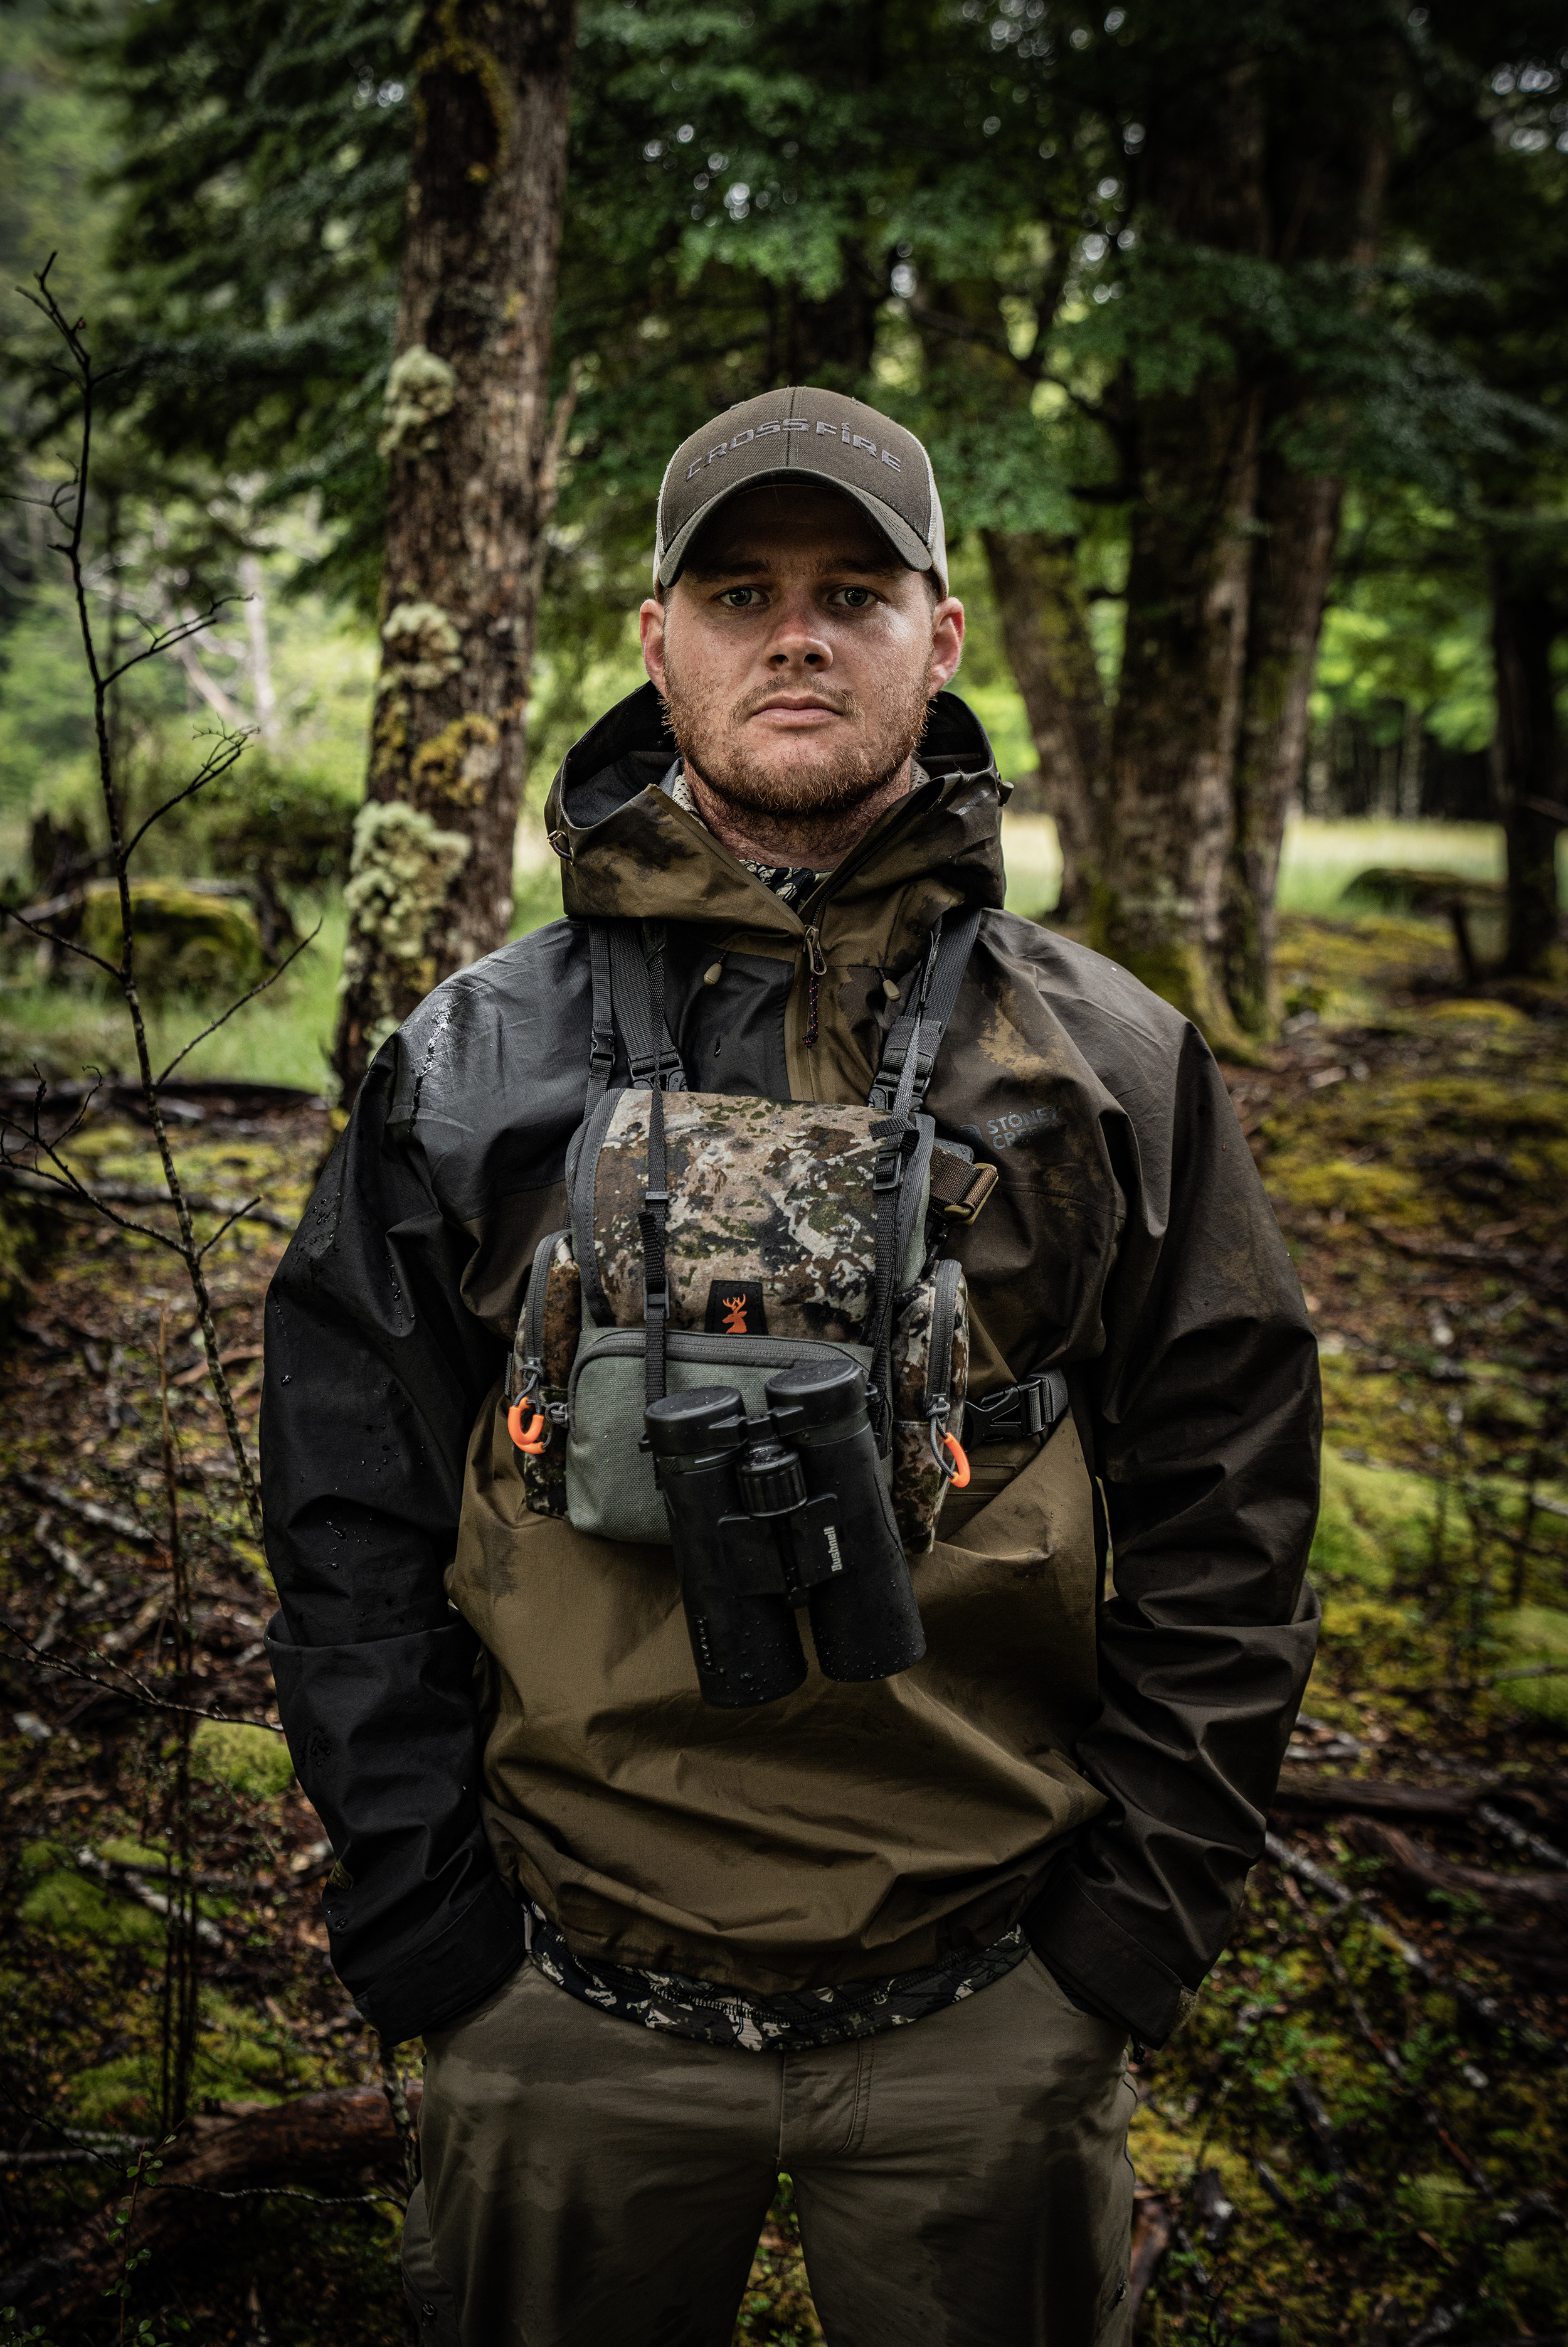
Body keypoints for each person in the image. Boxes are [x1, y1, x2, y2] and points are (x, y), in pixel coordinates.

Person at [262, 386, 1321, 2347]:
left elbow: (1229, 1508)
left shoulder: (1110, 1061)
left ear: (938, 632)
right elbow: (344, 1504)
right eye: (738, 589)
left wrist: (1124, 1935)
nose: (797, 633)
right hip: (563, 2002)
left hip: (990, 2007)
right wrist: (424, 1921)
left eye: (853, 587)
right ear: (657, 640)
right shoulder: (470, 1059)